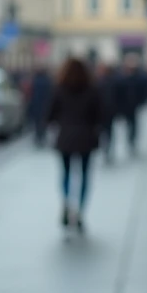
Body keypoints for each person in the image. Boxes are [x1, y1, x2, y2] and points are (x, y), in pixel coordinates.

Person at [46, 58, 104, 232]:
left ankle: (66, 202)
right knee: (85, 175)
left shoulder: (59, 89)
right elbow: (100, 115)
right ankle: (79, 210)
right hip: (86, 137)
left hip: (65, 138)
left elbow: (49, 115)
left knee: (66, 173)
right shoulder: (92, 90)